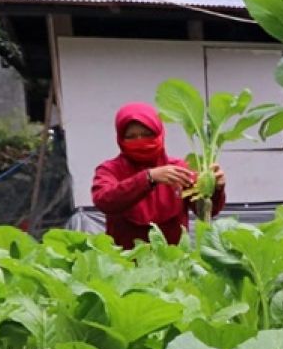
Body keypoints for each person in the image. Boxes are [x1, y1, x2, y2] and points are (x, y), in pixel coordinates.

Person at [92, 102, 225, 250]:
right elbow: (103, 199)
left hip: (174, 262)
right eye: (131, 137)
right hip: (126, 264)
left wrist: (216, 188)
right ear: (120, 139)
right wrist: (148, 178)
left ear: (160, 133)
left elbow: (207, 210)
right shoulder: (110, 170)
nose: (140, 141)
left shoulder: (179, 169)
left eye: (147, 135)